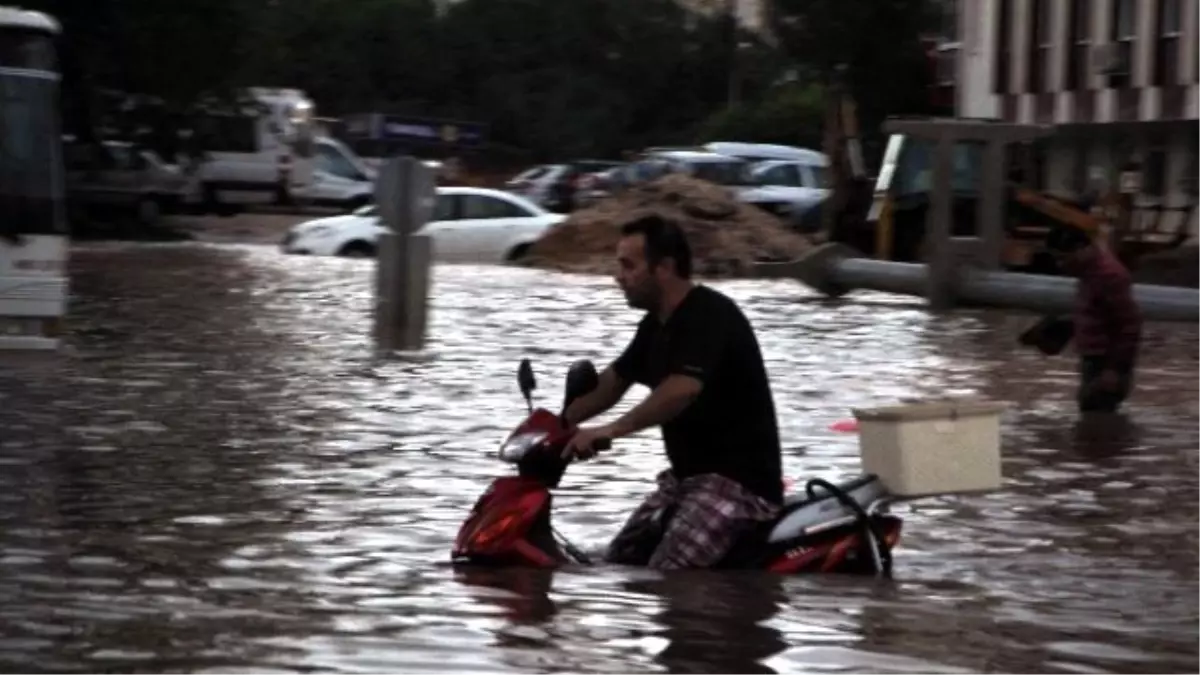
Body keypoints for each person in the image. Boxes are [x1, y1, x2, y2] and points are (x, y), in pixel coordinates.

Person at [561, 213, 784, 570]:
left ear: (664, 267)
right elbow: (613, 381)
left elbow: (681, 389)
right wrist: (557, 423)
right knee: (615, 564)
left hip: (736, 486)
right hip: (685, 483)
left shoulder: (709, 315)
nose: (619, 277)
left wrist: (611, 430)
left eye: (628, 266)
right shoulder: (655, 326)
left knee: (668, 577)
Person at [1046, 225, 1142, 413]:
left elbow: (1129, 325)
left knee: (1097, 421)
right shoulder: (1087, 273)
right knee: (1091, 421)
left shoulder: (1109, 276)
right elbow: (1096, 314)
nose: (1060, 264)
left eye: (1063, 258)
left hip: (1106, 363)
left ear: (1082, 249)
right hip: (1093, 361)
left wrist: (1113, 370)